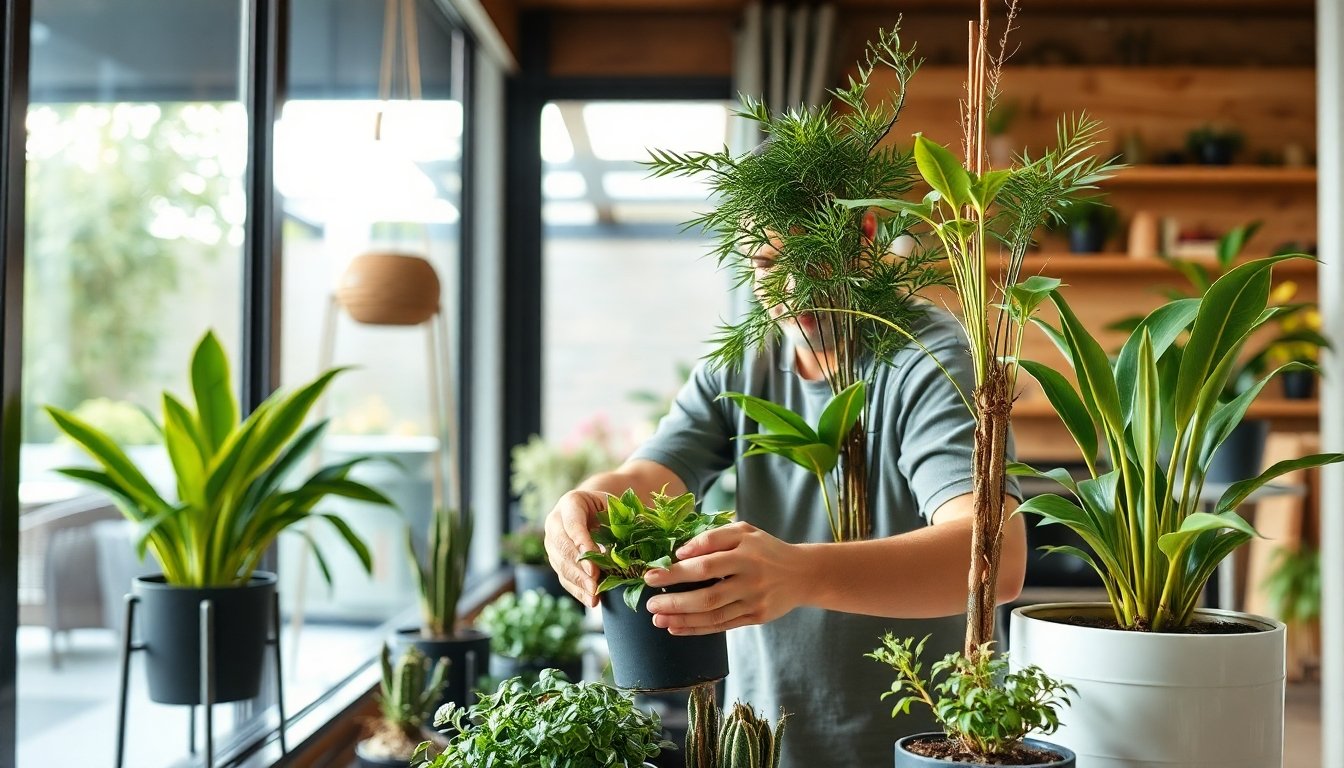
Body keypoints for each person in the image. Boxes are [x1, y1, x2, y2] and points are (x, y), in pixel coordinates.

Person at [543, 234, 1027, 766]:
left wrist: (800, 574)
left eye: (814, 256)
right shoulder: (744, 360)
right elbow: (655, 472)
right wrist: (588, 501)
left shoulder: (929, 357)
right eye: (769, 263)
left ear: (865, 235)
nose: (795, 290)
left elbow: (995, 560)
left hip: (928, 741)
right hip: (763, 737)